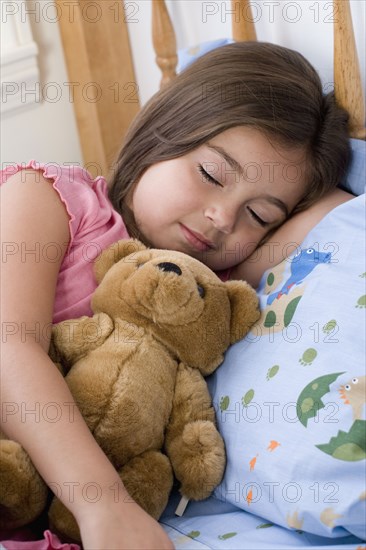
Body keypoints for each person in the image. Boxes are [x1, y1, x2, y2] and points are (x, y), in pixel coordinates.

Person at [1, 42, 353, 549]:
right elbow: (10, 348)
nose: (222, 219)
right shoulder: (49, 198)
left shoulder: (209, 287)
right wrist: (104, 505)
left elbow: (338, 220)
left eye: (260, 215)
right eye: (210, 174)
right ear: (162, 129)